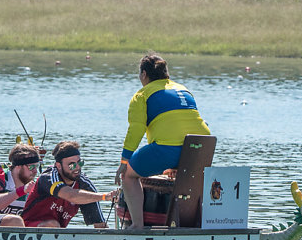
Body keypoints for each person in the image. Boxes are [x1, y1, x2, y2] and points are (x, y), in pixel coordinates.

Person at [114, 54, 211, 228]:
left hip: (169, 148)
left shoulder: (141, 95)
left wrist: (124, 160)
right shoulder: (183, 89)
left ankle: (137, 225)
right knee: (185, 174)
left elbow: (136, 129)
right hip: (201, 147)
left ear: (144, 74)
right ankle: (197, 224)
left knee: (128, 175)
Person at [20, 141, 116, 228]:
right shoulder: (48, 178)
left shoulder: (85, 185)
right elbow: (71, 195)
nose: (77, 168)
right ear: (58, 166)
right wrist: (105, 196)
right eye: (72, 165)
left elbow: (100, 225)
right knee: (52, 225)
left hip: (57, 234)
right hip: (28, 228)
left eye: (80, 163)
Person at [0, 144, 44, 216]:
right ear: (18, 166)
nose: (35, 171)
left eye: (36, 166)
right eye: (31, 167)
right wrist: (21, 191)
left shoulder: (34, 187)